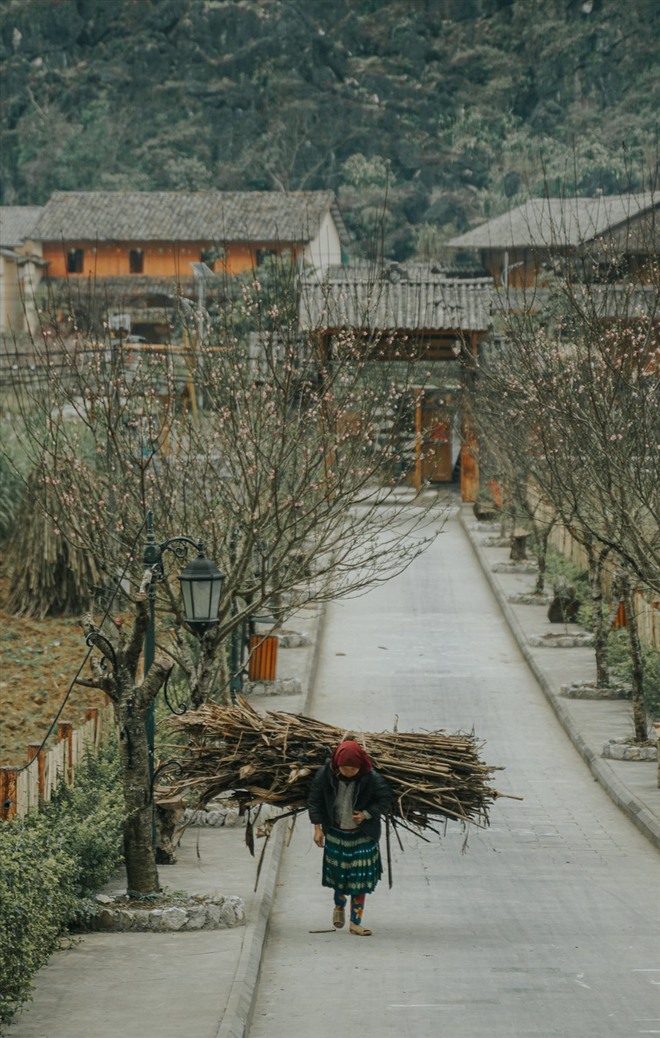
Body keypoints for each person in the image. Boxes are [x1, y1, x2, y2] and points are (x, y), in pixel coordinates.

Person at [307, 738, 391, 936]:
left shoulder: (371, 777)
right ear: (337, 764)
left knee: (358, 880)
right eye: (345, 768)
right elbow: (314, 800)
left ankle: (355, 922)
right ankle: (339, 905)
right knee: (339, 876)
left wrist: (366, 814)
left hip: (363, 835)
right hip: (336, 833)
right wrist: (317, 828)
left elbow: (386, 798)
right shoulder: (326, 775)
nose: (349, 772)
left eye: (353, 769)